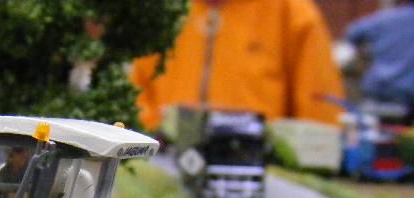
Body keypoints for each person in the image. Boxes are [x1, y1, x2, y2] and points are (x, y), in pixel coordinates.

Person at [130, 0, 345, 130]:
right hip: (163, 166)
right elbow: (135, 99)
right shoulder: (159, 10)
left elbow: (321, 122)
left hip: (262, 171)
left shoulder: (292, 12)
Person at [345, 1, 414, 118]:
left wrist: (364, 54)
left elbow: (352, 32)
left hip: (378, 91)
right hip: (408, 97)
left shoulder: (387, 18)